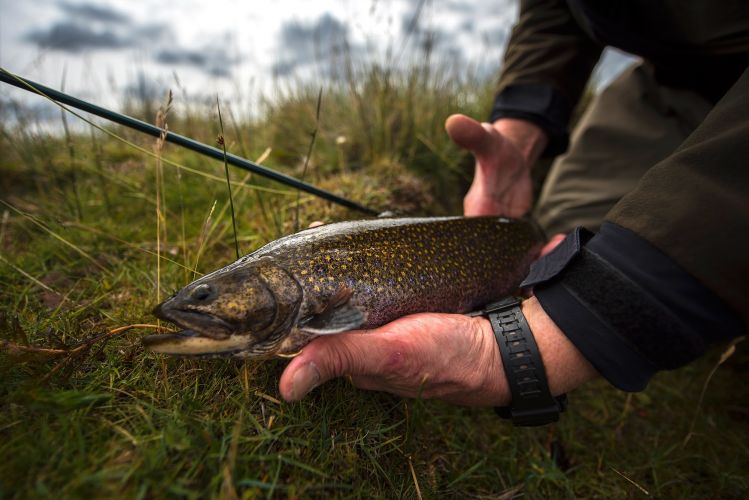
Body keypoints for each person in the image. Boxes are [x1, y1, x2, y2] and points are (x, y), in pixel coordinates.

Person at [278, 1, 749, 419]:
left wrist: (541, 345)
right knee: (575, 242)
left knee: (634, 276)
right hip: (671, 76)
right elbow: (557, 11)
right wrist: (518, 141)